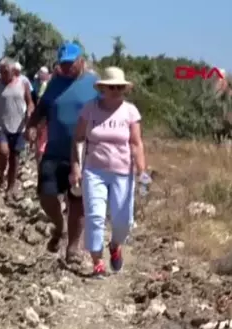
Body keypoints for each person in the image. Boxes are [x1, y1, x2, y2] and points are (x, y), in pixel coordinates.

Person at [69, 66, 147, 276]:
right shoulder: (90, 109)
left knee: (123, 221)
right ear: (103, 88)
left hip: (123, 171)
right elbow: (77, 138)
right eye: (112, 87)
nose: (116, 90)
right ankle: (97, 262)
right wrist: (75, 166)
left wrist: (142, 170)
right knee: (95, 216)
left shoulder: (130, 111)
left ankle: (115, 245)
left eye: (120, 87)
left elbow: (136, 142)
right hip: (94, 170)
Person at [25, 42, 98, 263]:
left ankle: (73, 248)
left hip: (83, 151)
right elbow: (41, 110)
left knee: (77, 199)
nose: (66, 68)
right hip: (55, 149)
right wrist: (32, 127)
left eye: (70, 64)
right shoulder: (55, 83)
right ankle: (60, 225)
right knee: (46, 194)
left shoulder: (94, 83)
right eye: (63, 64)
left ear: (81, 61)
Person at [0, 58, 34, 196]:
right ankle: (1, 175)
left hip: (19, 126)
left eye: (6, 72)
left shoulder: (23, 83)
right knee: (4, 152)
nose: (3, 75)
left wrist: (30, 112)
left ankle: (10, 187)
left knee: (15, 158)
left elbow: (30, 102)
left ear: (13, 71)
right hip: (1, 125)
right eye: (1, 72)